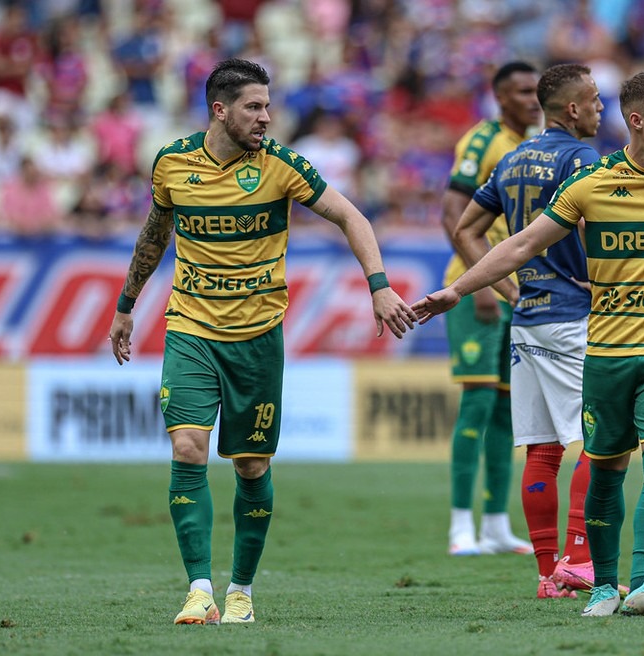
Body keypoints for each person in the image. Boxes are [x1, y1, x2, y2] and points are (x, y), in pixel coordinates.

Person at [413, 70, 644, 617]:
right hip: (604, 354)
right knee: (602, 467)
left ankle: (642, 584)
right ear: (637, 121)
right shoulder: (590, 181)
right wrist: (457, 288)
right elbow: (521, 244)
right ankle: (598, 585)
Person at [107, 58, 416, 626]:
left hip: (257, 340)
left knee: (250, 465)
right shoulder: (172, 164)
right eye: (254, 107)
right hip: (191, 329)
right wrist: (127, 306)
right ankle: (199, 589)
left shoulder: (280, 166)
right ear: (219, 110)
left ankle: (241, 591)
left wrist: (378, 287)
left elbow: (352, 217)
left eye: (268, 107)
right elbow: (155, 234)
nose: (266, 118)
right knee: (187, 450)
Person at [452, 62, 617, 600]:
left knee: (542, 449)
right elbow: (595, 227)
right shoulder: (581, 157)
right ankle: (579, 557)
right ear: (572, 108)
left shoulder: (514, 157)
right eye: (593, 100)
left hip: (528, 319)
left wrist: (509, 290)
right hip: (574, 314)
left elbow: (466, 230)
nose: (599, 108)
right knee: (603, 439)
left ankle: (549, 575)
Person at [440, 61, 543, 556]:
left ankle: (497, 524)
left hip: (518, 293)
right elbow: (450, 212)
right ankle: (462, 526)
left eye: (537, 90)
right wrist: (476, 285)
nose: (533, 99)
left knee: (508, 411)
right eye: (523, 91)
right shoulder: (481, 140)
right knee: (478, 404)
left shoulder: (535, 146)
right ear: (501, 97)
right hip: (478, 292)